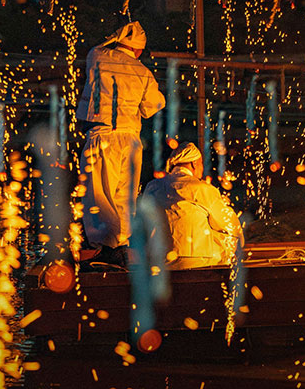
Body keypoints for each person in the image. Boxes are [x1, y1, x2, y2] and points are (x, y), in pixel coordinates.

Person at [76, 21, 166, 266]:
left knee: (99, 193)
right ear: (138, 50)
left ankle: (107, 247)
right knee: (124, 196)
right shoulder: (143, 72)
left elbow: (99, 47)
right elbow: (153, 106)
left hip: (102, 135)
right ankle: (123, 247)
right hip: (131, 140)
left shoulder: (98, 56)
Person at [143, 142, 243, 268]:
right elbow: (230, 224)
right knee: (230, 236)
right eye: (201, 164)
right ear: (194, 163)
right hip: (198, 259)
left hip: (159, 260)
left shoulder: (152, 186)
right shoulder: (201, 188)